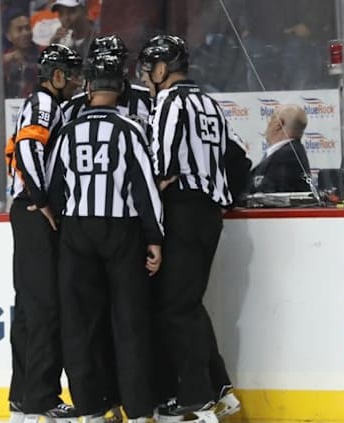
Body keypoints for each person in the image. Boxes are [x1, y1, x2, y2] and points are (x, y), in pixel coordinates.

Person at [46, 43, 163, 423]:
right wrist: (155, 238)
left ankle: (92, 408)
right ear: (122, 86)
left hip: (77, 232)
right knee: (129, 323)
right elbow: (145, 188)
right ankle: (140, 409)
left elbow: (54, 189)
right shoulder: (130, 129)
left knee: (81, 324)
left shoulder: (66, 131)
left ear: (89, 87)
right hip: (121, 231)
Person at [137, 34, 249, 423]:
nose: (148, 77)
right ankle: (220, 390)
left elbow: (162, 163)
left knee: (175, 307)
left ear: (162, 69)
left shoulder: (169, 100)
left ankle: (197, 398)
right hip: (210, 216)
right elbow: (240, 157)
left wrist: (156, 187)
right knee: (187, 303)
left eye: (149, 69)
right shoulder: (209, 102)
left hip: (181, 212)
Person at [5, 44, 82, 423]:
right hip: (35, 214)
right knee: (45, 309)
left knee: (30, 309)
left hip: (26, 214)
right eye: (71, 73)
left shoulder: (43, 104)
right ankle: (40, 398)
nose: (76, 80)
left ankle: (23, 397)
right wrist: (44, 200)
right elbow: (29, 149)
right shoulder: (44, 105)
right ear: (55, 76)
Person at [247, 104, 312, 194]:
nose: (268, 124)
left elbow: (272, 198)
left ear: (278, 124)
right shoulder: (292, 152)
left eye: (271, 119)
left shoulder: (286, 157)